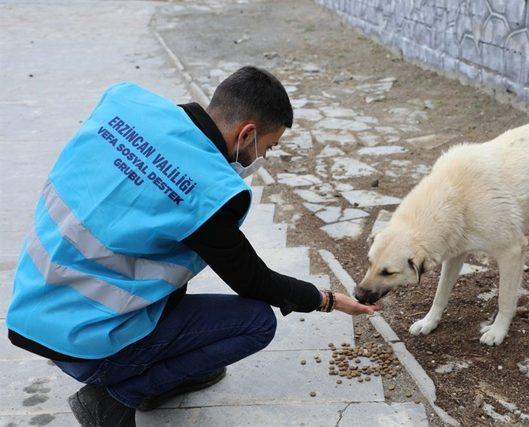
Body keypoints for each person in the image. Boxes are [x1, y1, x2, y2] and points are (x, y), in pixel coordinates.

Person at [7, 66, 378, 426]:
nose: (263, 157)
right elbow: (254, 281)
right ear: (247, 134)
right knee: (257, 323)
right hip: (87, 347)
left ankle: (162, 375)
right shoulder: (206, 191)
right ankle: (117, 397)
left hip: (33, 312)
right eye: (268, 146)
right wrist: (326, 300)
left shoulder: (126, 106)